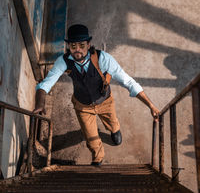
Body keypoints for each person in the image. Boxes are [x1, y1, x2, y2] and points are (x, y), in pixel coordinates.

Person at [34, 24, 159, 166]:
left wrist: (151, 105)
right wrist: (40, 102)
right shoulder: (63, 61)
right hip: (82, 106)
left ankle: (114, 130)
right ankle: (97, 159)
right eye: (73, 46)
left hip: (105, 101)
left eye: (82, 45)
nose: (78, 50)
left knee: (112, 122)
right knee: (91, 138)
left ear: (88, 44)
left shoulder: (103, 59)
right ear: (68, 46)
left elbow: (129, 82)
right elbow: (45, 84)